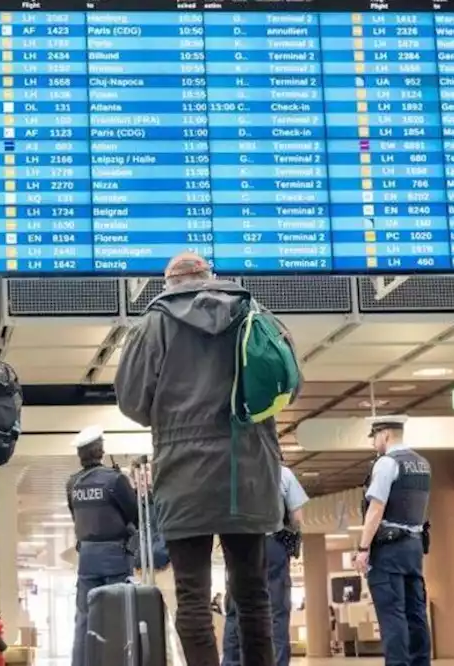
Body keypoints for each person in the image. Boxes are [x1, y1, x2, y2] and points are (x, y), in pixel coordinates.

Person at [114, 252, 290, 666]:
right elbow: (285, 386)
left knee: (192, 596)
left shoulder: (153, 325)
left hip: (184, 472)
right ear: (210, 277)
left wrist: (170, 414)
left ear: (169, 283)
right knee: (252, 595)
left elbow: (133, 402)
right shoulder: (256, 316)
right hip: (247, 471)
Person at [352, 415, 431, 666]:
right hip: (414, 546)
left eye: (375, 437)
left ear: (385, 435)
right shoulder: (422, 463)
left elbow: (376, 508)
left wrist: (363, 548)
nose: (374, 443)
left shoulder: (387, 463)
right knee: (416, 613)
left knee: (392, 615)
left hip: (389, 549)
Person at [222, 463, 309, 666]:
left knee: (236, 608)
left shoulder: (232, 470)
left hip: (239, 543)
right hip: (272, 544)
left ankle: (232, 662)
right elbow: (297, 518)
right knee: (276, 610)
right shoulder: (282, 473)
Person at [65, 425, 138, 666]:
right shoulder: (115, 480)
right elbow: (135, 515)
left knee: (84, 619)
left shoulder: (73, 484)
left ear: (80, 455)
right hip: (115, 556)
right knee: (116, 616)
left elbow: (76, 517)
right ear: (101, 450)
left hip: (87, 557)